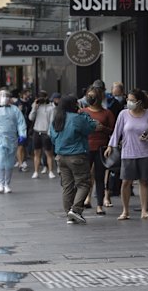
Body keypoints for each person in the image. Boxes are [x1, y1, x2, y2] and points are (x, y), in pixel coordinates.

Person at [105, 88, 148, 221]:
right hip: (128, 152)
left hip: (145, 152)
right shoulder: (123, 114)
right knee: (125, 182)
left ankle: (144, 211)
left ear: (140, 102)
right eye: (128, 99)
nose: (129, 102)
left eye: (132, 100)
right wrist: (110, 146)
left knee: (143, 182)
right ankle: (125, 211)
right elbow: (116, 131)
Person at [49, 94, 97, 224]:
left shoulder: (57, 119)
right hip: (77, 155)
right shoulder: (77, 118)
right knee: (84, 183)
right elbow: (91, 128)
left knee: (67, 186)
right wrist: (84, 114)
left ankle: (69, 214)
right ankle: (75, 210)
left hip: (61, 157)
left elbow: (52, 137)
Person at [0, 88, 27, 194]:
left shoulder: (15, 110)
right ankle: (0, 184)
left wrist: (22, 134)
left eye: (7, 96)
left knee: (9, 163)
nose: (5, 98)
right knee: (0, 162)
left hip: (11, 139)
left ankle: (7, 184)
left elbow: (21, 123)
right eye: (2, 96)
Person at [80, 85, 115, 215]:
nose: (91, 98)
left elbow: (114, 131)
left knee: (100, 177)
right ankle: (81, 202)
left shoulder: (107, 113)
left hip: (102, 148)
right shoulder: (82, 112)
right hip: (85, 147)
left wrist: (103, 129)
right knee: (85, 177)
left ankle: (99, 205)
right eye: (89, 96)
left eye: (93, 96)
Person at [29, 90, 56, 179]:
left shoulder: (51, 108)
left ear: (46, 97)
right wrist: (34, 108)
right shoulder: (36, 106)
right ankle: (36, 171)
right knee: (36, 152)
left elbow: (52, 121)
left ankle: (50, 171)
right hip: (37, 131)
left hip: (45, 132)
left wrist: (49, 133)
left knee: (48, 152)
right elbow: (31, 118)